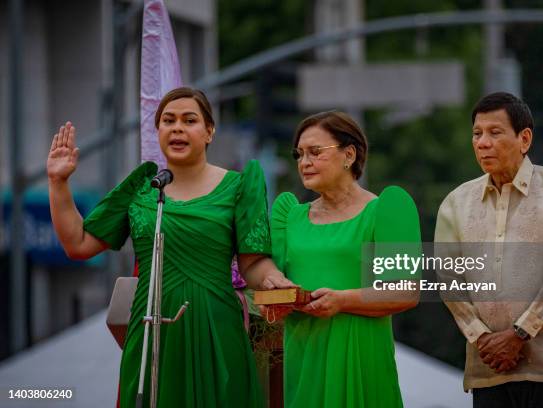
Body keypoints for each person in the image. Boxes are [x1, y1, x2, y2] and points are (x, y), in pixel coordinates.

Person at [47, 87, 293, 407]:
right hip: (151, 329)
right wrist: (58, 182)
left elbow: (254, 262)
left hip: (216, 329)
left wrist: (273, 277)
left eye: (189, 120)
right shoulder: (142, 187)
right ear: (158, 131)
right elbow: (78, 244)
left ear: (209, 131)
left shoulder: (239, 186)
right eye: (168, 120)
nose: (177, 127)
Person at [435, 92, 543, 407]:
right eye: (477, 134)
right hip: (489, 368)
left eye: (495, 133)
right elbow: (448, 280)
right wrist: (482, 338)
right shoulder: (456, 202)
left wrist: (520, 333)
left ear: (525, 138)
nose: (482, 142)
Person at [268, 111, 420, 408]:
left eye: (315, 152)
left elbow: (406, 291)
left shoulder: (387, 210)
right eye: (299, 154)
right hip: (304, 356)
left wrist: (342, 300)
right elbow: (271, 281)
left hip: (361, 356)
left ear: (349, 154)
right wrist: (272, 293)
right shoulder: (289, 215)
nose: (304, 162)